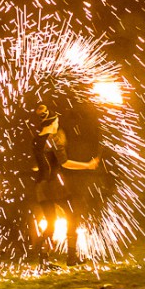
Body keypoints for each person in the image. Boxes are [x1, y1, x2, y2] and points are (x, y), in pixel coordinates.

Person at [31, 105, 99, 266]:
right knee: (72, 218)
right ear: (52, 122)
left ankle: (43, 259)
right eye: (57, 121)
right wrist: (87, 165)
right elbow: (65, 163)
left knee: (50, 223)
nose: (58, 124)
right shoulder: (53, 139)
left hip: (40, 187)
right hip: (55, 186)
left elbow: (39, 163)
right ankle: (72, 258)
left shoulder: (36, 140)